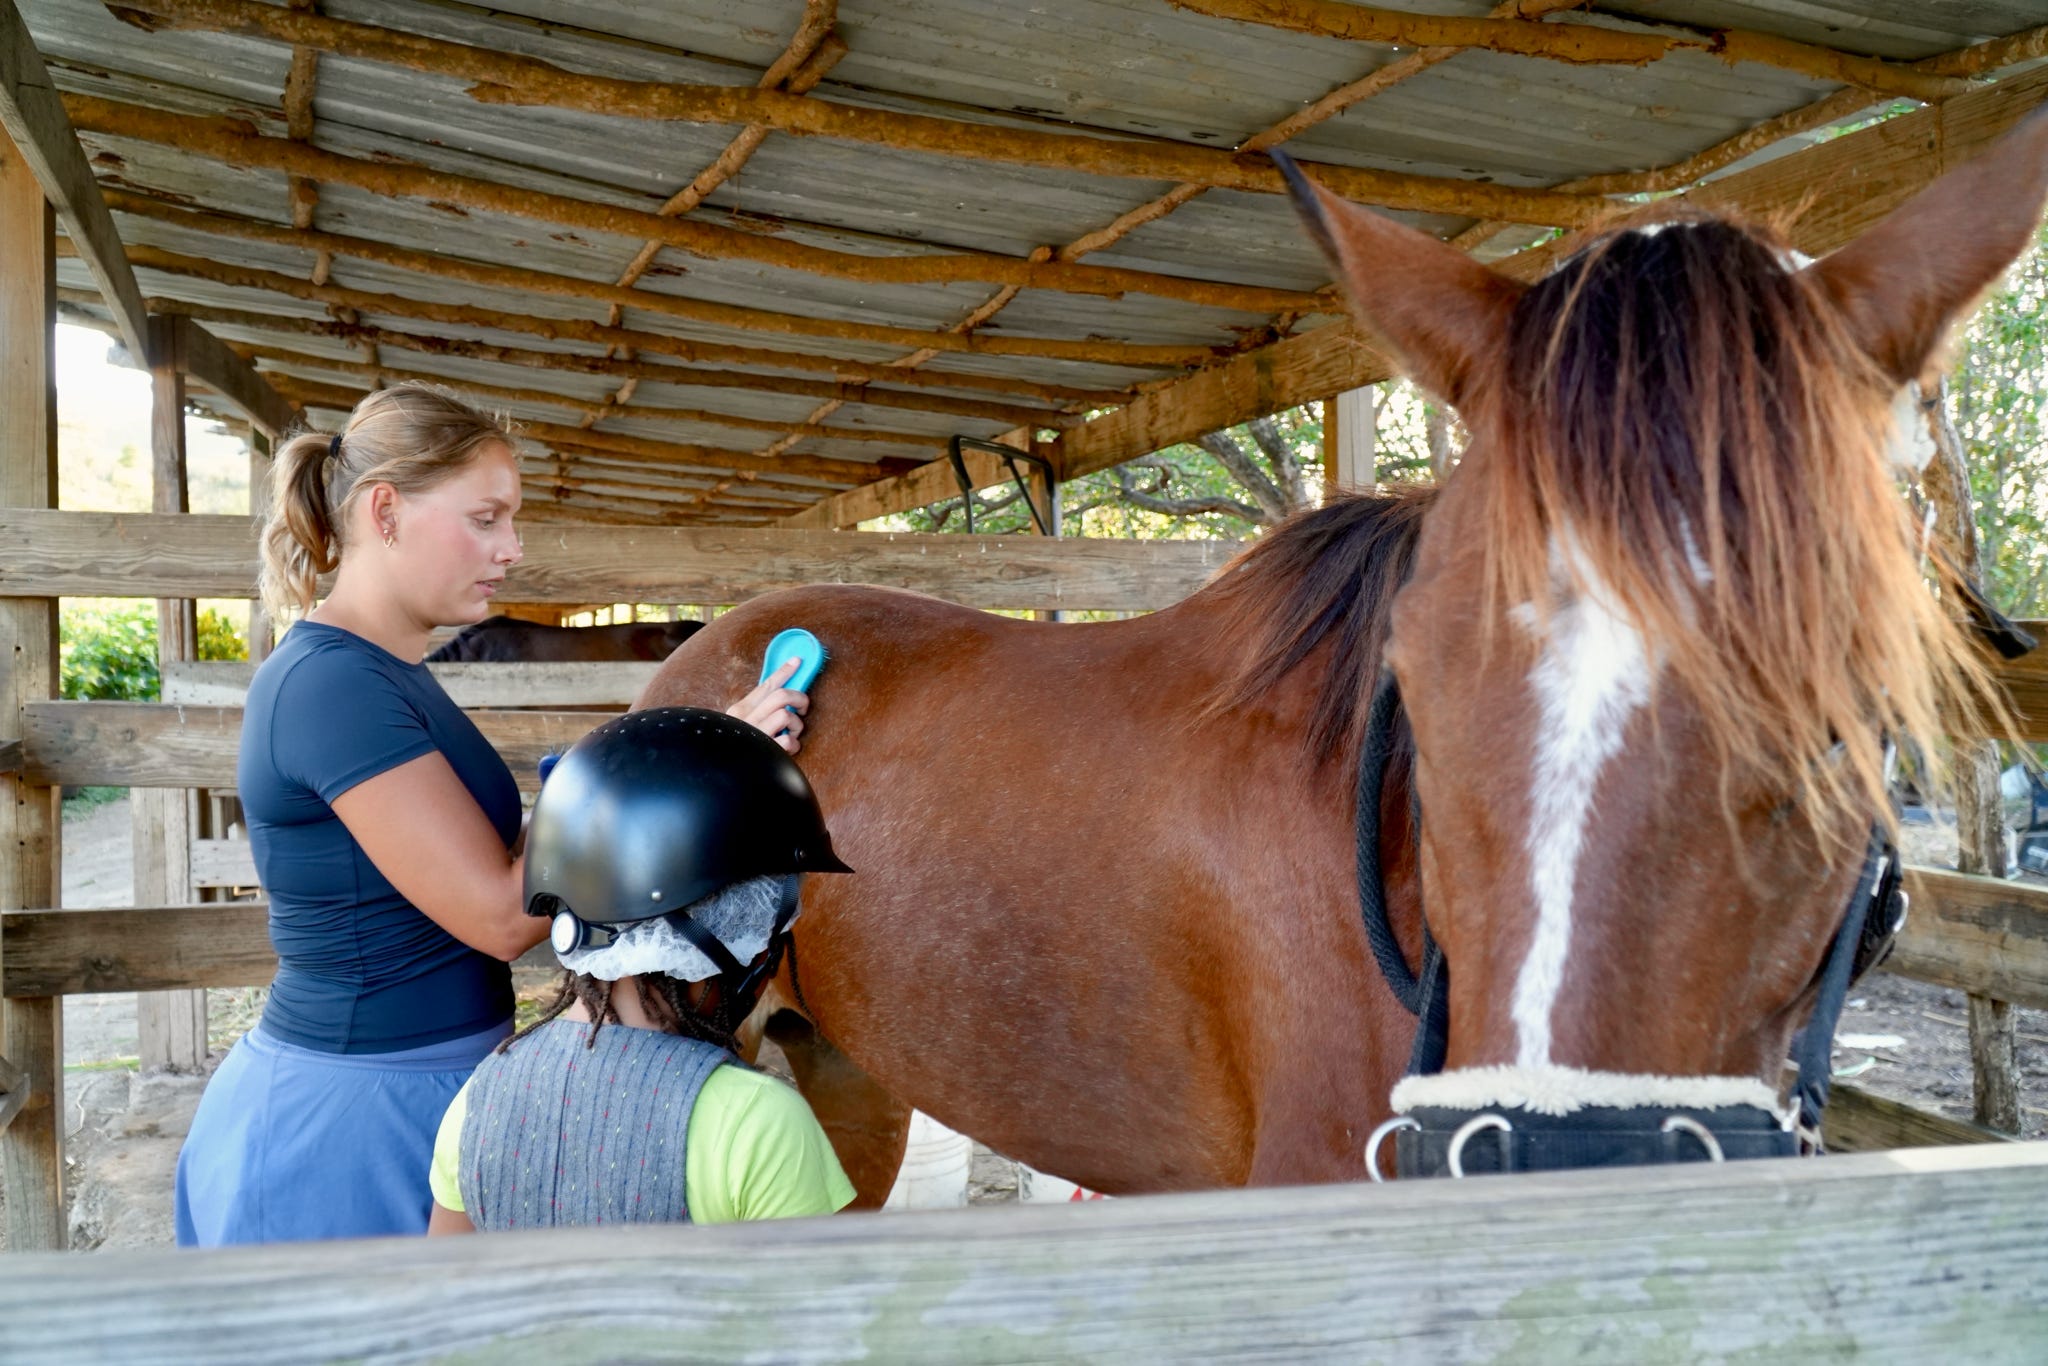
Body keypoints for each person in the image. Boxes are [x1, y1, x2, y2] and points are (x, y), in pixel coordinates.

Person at [174, 383, 810, 1246]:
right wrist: (695, 755)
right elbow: (500, 915)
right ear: (386, 511)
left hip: (427, 1074)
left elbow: (510, 848)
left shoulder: (385, 671)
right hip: (361, 1108)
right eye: (485, 519)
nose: (511, 550)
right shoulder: (333, 687)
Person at [427, 707, 857, 1231]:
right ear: (739, 937)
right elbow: (811, 1311)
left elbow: (451, 1287)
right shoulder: (759, 1123)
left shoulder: (480, 1095)